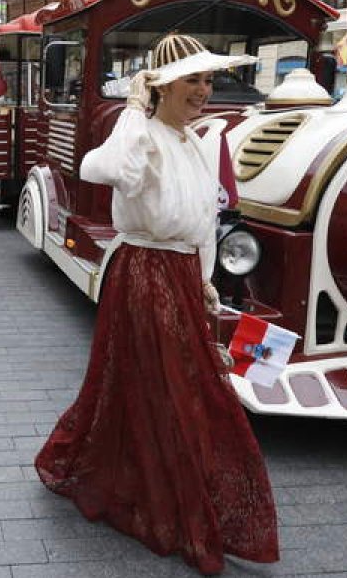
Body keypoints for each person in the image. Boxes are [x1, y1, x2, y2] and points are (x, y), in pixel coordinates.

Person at [34, 34, 279, 576]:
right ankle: (172, 497)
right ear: (162, 85)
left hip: (180, 272)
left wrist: (206, 280)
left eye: (208, 80)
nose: (203, 90)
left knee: (168, 385)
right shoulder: (141, 131)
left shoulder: (193, 139)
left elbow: (203, 221)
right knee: (170, 387)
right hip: (145, 273)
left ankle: (166, 484)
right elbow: (98, 169)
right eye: (192, 79)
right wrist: (133, 113)